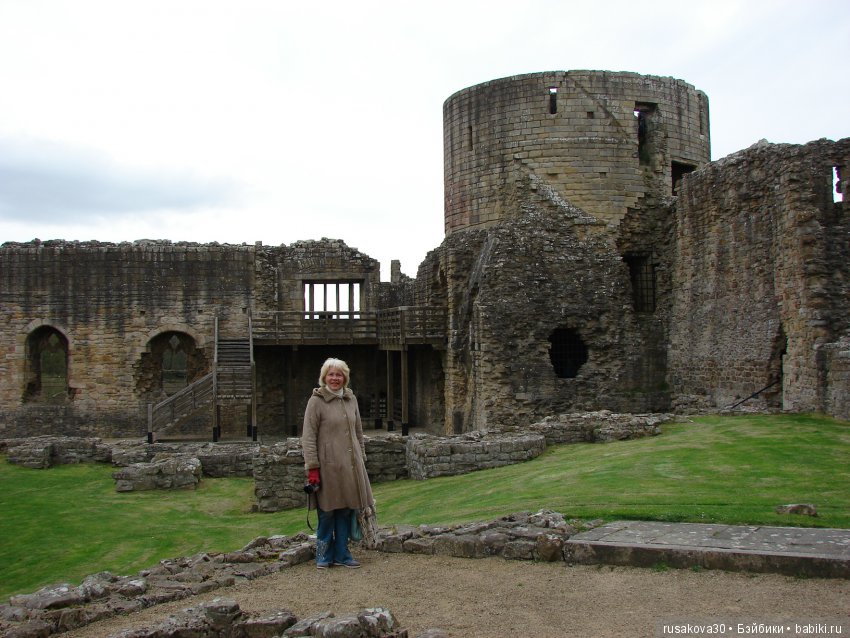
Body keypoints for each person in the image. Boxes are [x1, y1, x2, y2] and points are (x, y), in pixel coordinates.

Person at [301, 357, 375, 569]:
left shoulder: (350, 399)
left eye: (339, 374)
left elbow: (358, 432)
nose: (335, 378)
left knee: (346, 510)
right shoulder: (316, 401)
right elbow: (308, 436)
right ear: (325, 377)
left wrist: (361, 458)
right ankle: (323, 555)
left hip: (351, 466)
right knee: (327, 512)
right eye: (331, 374)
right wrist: (312, 467)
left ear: (345, 377)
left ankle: (342, 553)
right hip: (327, 466)